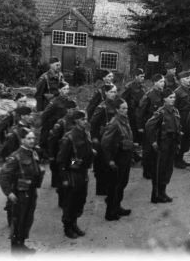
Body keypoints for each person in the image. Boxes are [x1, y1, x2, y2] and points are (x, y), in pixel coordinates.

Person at [0, 130, 45, 253]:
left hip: (31, 192)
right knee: (18, 221)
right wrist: (9, 193)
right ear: (22, 140)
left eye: (33, 138)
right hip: (20, 194)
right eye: (29, 138)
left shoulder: (33, 153)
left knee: (27, 220)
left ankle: (21, 245)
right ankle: (15, 250)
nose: (32, 141)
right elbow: (2, 175)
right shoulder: (16, 156)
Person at [57, 110, 95, 239]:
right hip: (72, 174)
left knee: (80, 200)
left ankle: (74, 224)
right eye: (83, 119)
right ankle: (67, 227)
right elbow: (63, 160)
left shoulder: (85, 134)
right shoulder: (69, 137)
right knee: (70, 202)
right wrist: (64, 178)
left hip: (82, 172)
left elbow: (84, 152)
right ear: (77, 121)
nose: (86, 121)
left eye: (86, 119)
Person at [101, 98, 134, 221]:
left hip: (125, 156)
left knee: (122, 183)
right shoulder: (114, 123)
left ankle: (117, 206)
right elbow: (105, 143)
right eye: (123, 109)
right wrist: (109, 160)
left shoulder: (124, 120)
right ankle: (110, 212)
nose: (125, 110)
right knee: (114, 186)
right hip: (117, 158)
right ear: (116, 110)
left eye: (126, 108)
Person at [145, 89, 181, 203]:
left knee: (168, 169)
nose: (173, 100)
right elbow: (149, 126)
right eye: (170, 97)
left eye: (174, 97)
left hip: (172, 143)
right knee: (159, 170)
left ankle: (163, 192)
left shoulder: (175, 111)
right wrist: (153, 141)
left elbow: (178, 126)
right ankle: (156, 195)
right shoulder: (160, 112)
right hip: (163, 143)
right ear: (164, 99)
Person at [47, 103, 78, 208]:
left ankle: (70, 198)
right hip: (63, 155)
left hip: (73, 156)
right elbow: (52, 139)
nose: (73, 111)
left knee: (72, 173)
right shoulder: (61, 123)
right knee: (63, 176)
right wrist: (51, 155)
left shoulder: (76, 121)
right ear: (67, 110)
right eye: (71, 109)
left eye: (75, 109)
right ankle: (62, 200)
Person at [90, 84, 118, 195]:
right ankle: (101, 188)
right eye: (111, 92)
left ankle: (108, 186)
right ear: (106, 93)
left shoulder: (115, 105)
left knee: (110, 162)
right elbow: (93, 123)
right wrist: (95, 138)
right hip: (102, 138)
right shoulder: (102, 107)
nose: (114, 94)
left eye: (115, 92)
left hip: (112, 138)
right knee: (101, 164)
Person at [136, 74, 165, 179]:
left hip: (159, 126)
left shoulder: (162, 94)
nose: (163, 83)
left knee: (156, 149)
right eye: (161, 82)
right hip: (149, 127)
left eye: (163, 81)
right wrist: (140, 127)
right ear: (155, 83)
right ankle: (146, 171)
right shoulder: (149, 95)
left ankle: (154, 169)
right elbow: (140, 112)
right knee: (148, 150)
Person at [39, 82, 73, 157]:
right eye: (64, 89)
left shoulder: (69, 101)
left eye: (67, 89)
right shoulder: (54, 102)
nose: (66, 91)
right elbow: (45, 115)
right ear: (59, 90)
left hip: (65, 127)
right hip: (54, 127)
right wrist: (45, 127)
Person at [174, 70, 190, 169]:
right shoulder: (177, 92)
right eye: (186, 78)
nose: (189, 80)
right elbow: (174, 108)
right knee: (181, 141)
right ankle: (177, 160)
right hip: (182, 118)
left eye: (189, 78)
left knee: (187, 140)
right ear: (181, 80)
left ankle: (181, 158)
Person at [121, 68, 146, 145]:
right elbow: (122, 100)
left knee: (140, 138)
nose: (143, 78)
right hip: (131, 116)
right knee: (132, 137)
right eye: (141, 76)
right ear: (136, 76)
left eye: (143, 76)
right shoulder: (129, 87)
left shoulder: (143, 87)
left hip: (140, 116)